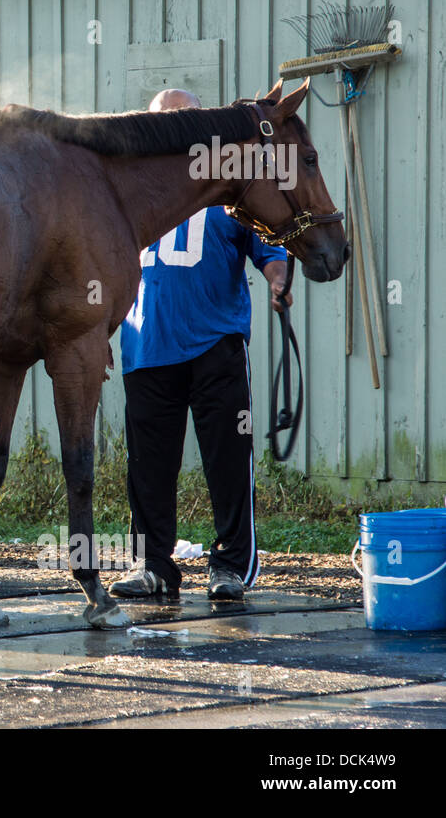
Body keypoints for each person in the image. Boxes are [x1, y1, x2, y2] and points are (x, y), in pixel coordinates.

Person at [111, 88, 291, 601]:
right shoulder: (129, 189)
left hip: (215, 341)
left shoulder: (227, 182)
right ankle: (154, 566)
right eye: (162, 121)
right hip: (145, 343)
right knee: (148, 464)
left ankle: (231, 566)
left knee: (227, 458)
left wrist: (277, 279)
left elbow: (268, 243)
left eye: (181, 119)